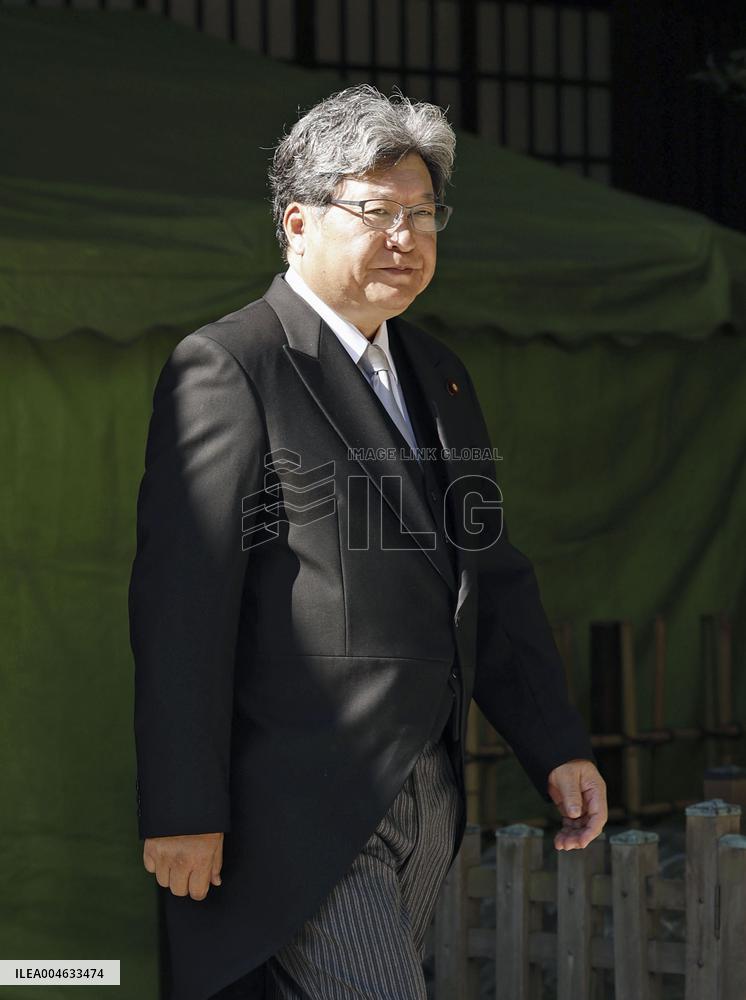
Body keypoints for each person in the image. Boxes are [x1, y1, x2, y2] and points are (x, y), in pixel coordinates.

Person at [129, 84, 607, 1000]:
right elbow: (183, 603)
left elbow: (490, 575)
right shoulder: (233, 364)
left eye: (424, 214)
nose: (407, 237)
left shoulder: (439, 374)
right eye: (378, 212)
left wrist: (556, 743)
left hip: (429, 786)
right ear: (297, 221)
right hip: (295, 799)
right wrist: (183, 807)